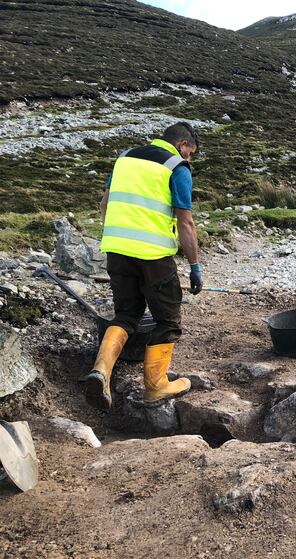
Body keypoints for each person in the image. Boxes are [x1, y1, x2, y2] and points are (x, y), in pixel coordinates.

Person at [85, 122, 203, 409]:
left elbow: (105, 204)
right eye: (191, 153)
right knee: (167, 320)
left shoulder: (125, 157)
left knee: (126, 315)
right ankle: (156, 386)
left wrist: (119, 235)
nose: (190, 160)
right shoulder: (176, 167)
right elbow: (185, 221)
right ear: (183, 144)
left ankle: (101, 371)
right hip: (153, 256)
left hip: (117, 249)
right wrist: (195, 265)